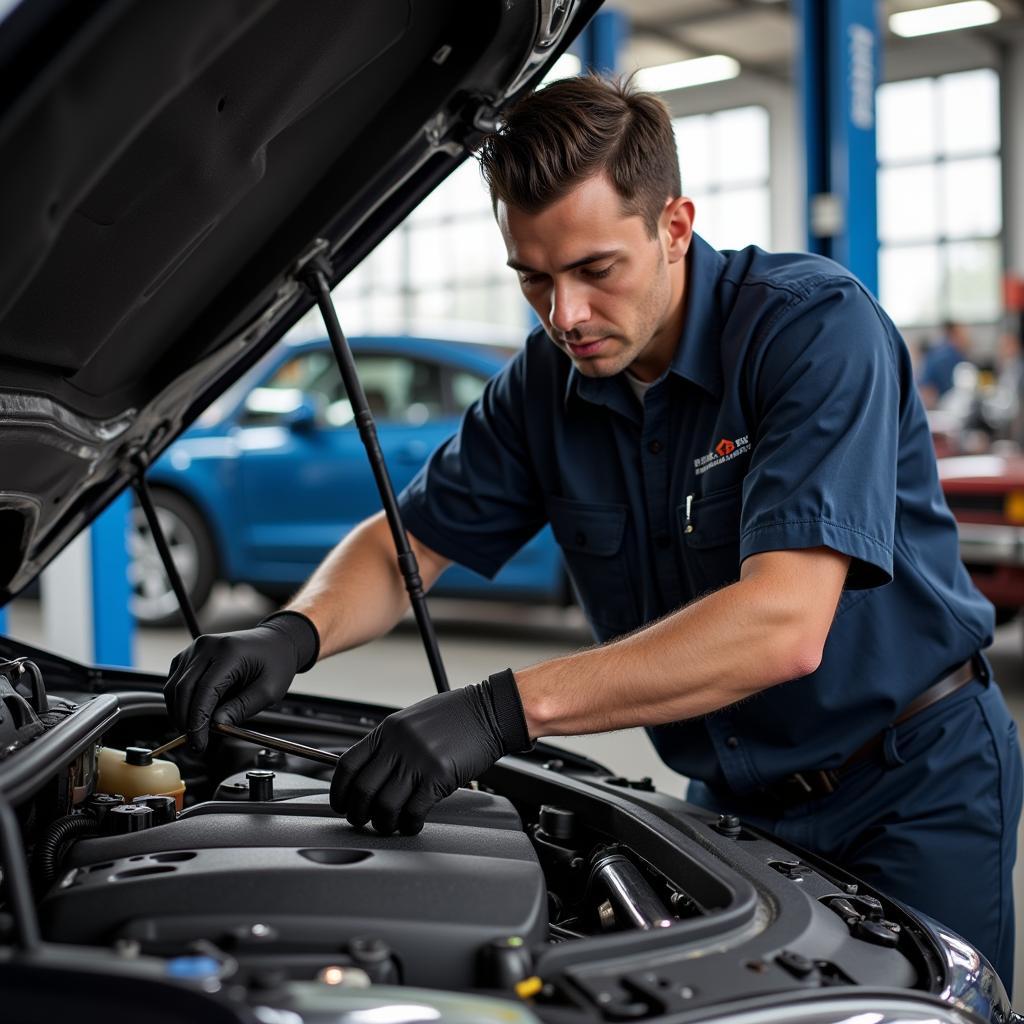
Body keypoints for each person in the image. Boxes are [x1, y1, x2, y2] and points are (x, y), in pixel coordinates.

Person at [164, 76, 1022, 984]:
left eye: (595, 270)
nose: (564, 314)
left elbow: (784, 622)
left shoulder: (809, 331)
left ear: (675, 227)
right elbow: (401, 546)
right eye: (534, 276)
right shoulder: (545, 387)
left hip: (909, 786)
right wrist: (292, 632)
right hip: (734, 799)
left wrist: (500, 710)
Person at [917, 319, 974, 409]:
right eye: (964, 334)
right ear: (954, 335)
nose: (967, 338)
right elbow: (927, 390)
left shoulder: (934, 353)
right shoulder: (949, 357)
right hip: (945, 409)